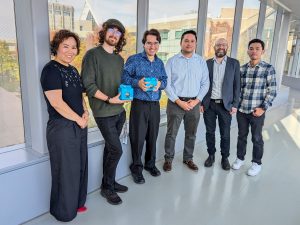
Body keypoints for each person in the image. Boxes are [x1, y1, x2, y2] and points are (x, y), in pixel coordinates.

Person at [40, 29, 88, 222]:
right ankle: (63, 212)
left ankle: (77, 203)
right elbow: (57, 103)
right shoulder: (50, 70)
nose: (70, 50)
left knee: (79, 166)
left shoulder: (73, 69)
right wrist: (78, 119)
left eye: (74, 47)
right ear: (56, 48)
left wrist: (85, 112)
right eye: (65, 46)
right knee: (65, 170)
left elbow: (80, 96)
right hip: (61, 128)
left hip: (79, 124)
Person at [81, 19, 128, 205]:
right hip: (103, 112)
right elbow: (88, 85)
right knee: (116, 150)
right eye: (111, 30)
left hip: (120, 111)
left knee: (110, 149)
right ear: (104, 32)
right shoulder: (92, 55)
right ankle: (106, 188)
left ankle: (109, 182)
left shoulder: (119, 59)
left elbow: (119, 83)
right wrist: (109, 99)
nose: (114, 34)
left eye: (118, 32)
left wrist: (126, 93)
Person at [122, 29, 167, 184]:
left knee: (152, 137)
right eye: (149, 43)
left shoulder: (160, 63)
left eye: (155, 43)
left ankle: (150, 164)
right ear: (144, 43)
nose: (152, 46)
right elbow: (124, 77)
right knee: (138, 138)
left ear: (158, 45)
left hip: (155, 105)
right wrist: (137, 83)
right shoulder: (134, 59)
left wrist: (160, 84)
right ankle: (136, 168)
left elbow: (165, 81)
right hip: (139, 105)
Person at [163, 30, 209, 172]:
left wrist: (196, 101)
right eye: (186, 41)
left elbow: (205, 83)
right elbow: (166, 84)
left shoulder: (201, 61)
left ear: (195, 43)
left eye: (192, 41)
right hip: (176, 103)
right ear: (181, 42)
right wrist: (178, 101)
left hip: (194, 104)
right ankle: (168, 159)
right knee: (171, 134)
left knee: (191, 134)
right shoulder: (172, 61)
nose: (189, 44)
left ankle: (188, 158)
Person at [232, 38, 277, 176]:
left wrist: (263, 108)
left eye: (257, 48)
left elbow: (272, 91)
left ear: (263, 51)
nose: (254, 51)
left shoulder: (268, 69)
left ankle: (256, 163)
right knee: (241, 136)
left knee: (256, 138)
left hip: (257, 111)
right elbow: (238, 89)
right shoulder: (242, 69)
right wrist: (236, 106)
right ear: (248, 51)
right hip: (242, 110)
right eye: (251, 48)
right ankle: (240, 158)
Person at [201, 38, 240, 170]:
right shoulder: (207, 64)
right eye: (218, 45)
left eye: (224, 44)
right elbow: (202, 84)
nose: (221, 47)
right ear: (214, 47)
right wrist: (201, 102)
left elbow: (237, 85)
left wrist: (235, 104)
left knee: (225, 133)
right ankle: (211, 155)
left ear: (227, 47)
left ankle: (225, 158)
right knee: (209, 132)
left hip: (225, 105)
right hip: (209, 104)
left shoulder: (234, 63)